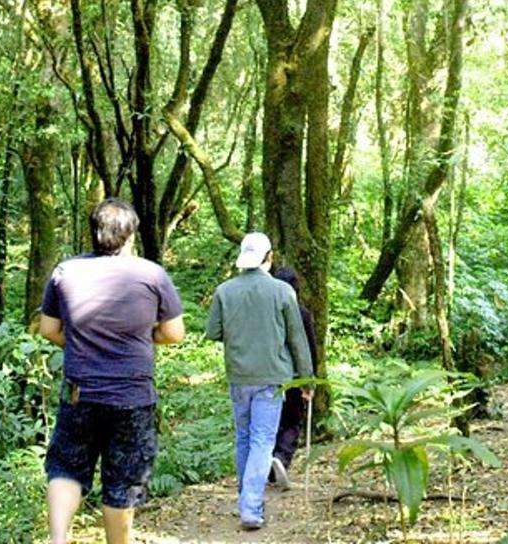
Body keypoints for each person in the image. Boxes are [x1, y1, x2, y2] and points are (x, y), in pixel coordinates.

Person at [38, 198, 185, 544]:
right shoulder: (151, 274)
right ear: (131, 235)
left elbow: (48, 329)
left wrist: (81, 343)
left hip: (79, 392)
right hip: (132, 395)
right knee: (121, 483)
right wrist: (137, 337)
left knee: (66, 467)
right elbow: (174, 332)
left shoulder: (65, 271)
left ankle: (58, 539)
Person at [206, 233, 314, 531]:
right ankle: (251, 508)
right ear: (269, 256)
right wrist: (306, 379)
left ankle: (247, 499)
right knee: (262, 441)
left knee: (244, 437)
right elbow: (297, 339)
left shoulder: (224, 291)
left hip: (239, 375)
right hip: (272, 377)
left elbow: (213, 331)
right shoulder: (282, 292)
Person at [269, 265, 318, 490]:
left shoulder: (267, 312)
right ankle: (281, 457)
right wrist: (310, 379)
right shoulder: (301, 313)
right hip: (295, 376)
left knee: (272, 421)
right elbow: (309, 347)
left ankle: (270, 465)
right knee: (292, 421)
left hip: (269, 374)